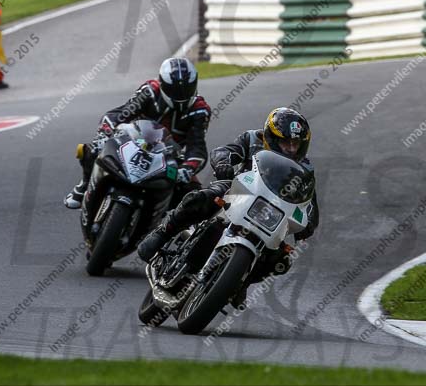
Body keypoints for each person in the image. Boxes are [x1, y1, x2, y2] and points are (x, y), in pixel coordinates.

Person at [137, 107, 319, 306]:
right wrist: (223, 162)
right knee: (199, 198)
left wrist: (308, 223)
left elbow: (309, 203)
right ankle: (163, 232)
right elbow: (222, 151)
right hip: (238, 189)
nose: (291, 149)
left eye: (295, 144)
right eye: (285, 142)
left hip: (273, 214)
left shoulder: (304, 169)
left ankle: (242, 281)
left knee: (282, 259)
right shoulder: (252, 139)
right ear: (271, 137)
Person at [64, 57, 211, 212]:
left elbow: (197, 148)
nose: (180, 95)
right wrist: (105, 133)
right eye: (174, 90)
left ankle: (167, 231)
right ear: (162, 84)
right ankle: (84, 186)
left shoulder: (200, 110)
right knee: (90, 149)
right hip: (131, 142)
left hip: (167, 157)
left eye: (186, 89)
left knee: (194, 195)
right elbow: (120, 115)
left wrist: (187, 168)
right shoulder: (150, 91)